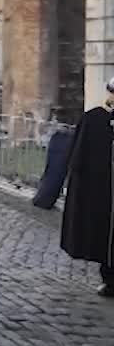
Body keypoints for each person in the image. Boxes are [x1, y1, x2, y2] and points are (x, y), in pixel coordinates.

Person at [61, 77, 114, 297]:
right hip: (102, 190)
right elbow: (78, 158)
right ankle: (109, 280)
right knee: (103, 238)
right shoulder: (94, 119)